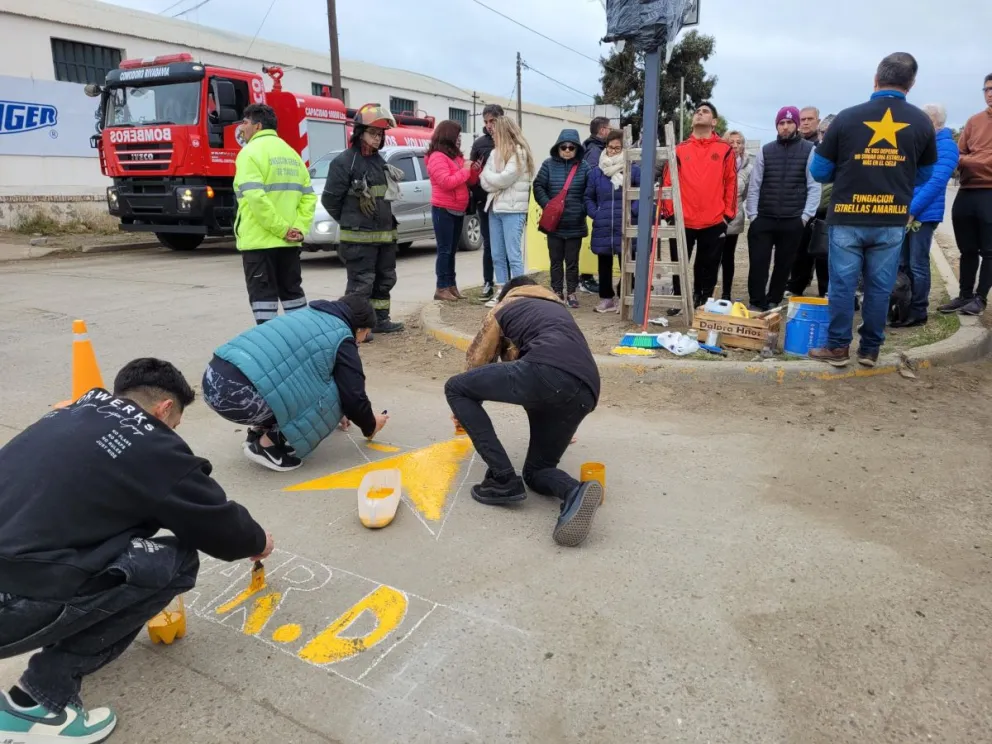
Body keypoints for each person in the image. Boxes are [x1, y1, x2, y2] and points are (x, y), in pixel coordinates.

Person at [0, 359, 270, 742]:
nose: (174, 432)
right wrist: (258, 541)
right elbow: (221, 527)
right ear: (164, 409)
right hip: (10, 600)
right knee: (171, 563)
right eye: (175, 423)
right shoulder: (150, 444)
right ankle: (43, 701)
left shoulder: (67, 414)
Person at [444, 276, 602, 547]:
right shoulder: (557, 310)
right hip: (586, 392)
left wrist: (466, 408)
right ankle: (574, 491)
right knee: (537, 471)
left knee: (456, 388)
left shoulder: (505, 307)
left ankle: (503, 478)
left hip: (545, 373)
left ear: (508, 293)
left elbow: (477, 362)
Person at [809, 52, 937, 368]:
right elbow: (924, 174)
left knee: (842, 284)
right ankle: (869, 350)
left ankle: (837, 348)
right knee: (879, 288)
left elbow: (820, 171)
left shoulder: (847, 118)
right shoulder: (921, 122)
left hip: (847, 216)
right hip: (891, 219)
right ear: (911, 83)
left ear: (875, 79)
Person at [202, 294, 388, 472]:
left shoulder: (309, 315)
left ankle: (259, 432)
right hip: (243, 398)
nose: (363, 340)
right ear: (360, 329)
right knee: (339, 388)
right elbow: (353, 395)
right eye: (366, 334)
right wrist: (370, 424)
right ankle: (268, 445)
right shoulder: (343, 338)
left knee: (288, 375)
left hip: (213, 382)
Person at [322, 105, 405, 334]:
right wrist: (352, 220)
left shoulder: (379, 162)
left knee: (385, 280)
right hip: (359, 241)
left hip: (385, 239)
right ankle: (357, 326)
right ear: (359, 133)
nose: (377, 139)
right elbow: (330, 201)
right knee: (361, 285)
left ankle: (380, 321)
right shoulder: (344, 163)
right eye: (372, 133)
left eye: (380, 134)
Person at [233, 103, 316, 325]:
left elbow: (256, 198)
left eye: (245, 122)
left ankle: (269, 348)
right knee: (293, 295)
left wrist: (281, 229)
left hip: (260, 242)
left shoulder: (249, 153)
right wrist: (297, 229)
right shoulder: (292, 155)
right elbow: (308, 197)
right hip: (289, 244)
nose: (242, 128)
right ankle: (302, 339)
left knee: (263, 301)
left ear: (258, 126)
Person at [661, 101, 737, 309]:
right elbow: (667, 181)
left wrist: (727, 215)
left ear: (714, 121)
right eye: (696, 111)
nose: (699, 114)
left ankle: (703, 301)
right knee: (680, 264)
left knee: (708, 265)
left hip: (713, 220)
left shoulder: (724, 149)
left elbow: (731, 182)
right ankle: (679, 300)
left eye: (705, 112)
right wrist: (670, 214)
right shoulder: (679, 149)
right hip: (683, 219)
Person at [746, 106, 821, 311]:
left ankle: (774, 299)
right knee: (758, 263)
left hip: (793, 218)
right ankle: (756, 300)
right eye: (781, 123)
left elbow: (813, 185)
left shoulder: (809, 150)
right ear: (777, 126)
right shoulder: (766, 150)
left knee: (784, 264)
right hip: (764, 217)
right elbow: (755, 185)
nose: (785, 127)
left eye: (789, 122)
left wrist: (805, 217)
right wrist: (753, 215)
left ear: (795, 125)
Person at [895, 104, 958, 326]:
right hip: (905, 211)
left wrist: (911, 210)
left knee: (917, 264)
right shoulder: (920, 144)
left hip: (923, 214)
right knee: (901, 263)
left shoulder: (947, 146)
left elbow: (935, 182)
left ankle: (918, 311)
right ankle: (902, 306)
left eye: (925, 119)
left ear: (937, 121)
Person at [940, 75, 992, 317]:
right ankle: (965, 295)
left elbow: (974, 160)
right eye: (987, 89)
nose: (990, 93)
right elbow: (956, 155)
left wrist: (970, 161)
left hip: (989, 193)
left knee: (989, 251)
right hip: (967, 191)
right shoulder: (973, 121)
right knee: (967, 249)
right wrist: (974, 161)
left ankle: (981, 298)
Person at [480, 116, 534, 308]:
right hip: (494, 208)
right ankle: (501, 291)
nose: (491, 132)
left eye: (494, 129)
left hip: (513, 210)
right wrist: (491, 178)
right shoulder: (495, 153)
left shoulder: (519, 153)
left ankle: (519, 293)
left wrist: (489, 176)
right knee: (497, 254)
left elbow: (504, 179)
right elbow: (484, 182)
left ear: (504, 131)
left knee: (513, 254)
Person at [534, 129, 591, 308]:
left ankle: (572, 292)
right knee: (556, 261)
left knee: (572, 263)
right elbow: (538, 186)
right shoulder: (548, 165)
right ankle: (557, 291)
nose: (567, 150)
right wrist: (548, 205)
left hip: (575, 223)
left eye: (571, 147)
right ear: (558, 147)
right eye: (563, 147)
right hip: (554, 224)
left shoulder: (585, 167)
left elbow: (589, 192)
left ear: (577, 149)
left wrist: (582, 210)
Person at [584, 128, 640, 313]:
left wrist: (632, 212)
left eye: (618, 148)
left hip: (625, 223)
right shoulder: (596, 173)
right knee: (604, 262)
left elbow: (641, 194)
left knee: (626, 261)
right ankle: (606, 298)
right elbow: (588, 197)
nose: (613, 151)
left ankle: (624, 296)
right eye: (610, 147)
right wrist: (596, 213)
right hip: (604, 223)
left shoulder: (634, 171)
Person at [427, 119, 477, 302]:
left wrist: (472, 170)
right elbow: (446, 182)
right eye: (456, 136)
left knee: (452, 250)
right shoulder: (437, 157)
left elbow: (465, 180)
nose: (459, 140)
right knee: (445, 250)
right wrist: (464, 171)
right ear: (447, 135)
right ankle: (441, 287)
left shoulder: (455, 157)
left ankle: (451, 284)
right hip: (443, 209)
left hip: (457, 209)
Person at [788, 114, 836, 298]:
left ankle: (825, 290)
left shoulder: (843, 153)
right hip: (809, 209)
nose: (825, 136)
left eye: (829, 132)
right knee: (801, 251)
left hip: (830, 211)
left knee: (825, 254)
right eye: (823, 132)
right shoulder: (812, 151)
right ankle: (795, 286)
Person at [470, 104, 505, 300]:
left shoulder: (511, 141)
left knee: (507, 245)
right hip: (485, 201)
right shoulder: (480, 143)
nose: (489, 125)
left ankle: (508, 283)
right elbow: (473, 174)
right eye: (486, 122)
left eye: (492, 121)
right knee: (490, 244)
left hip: (506, 201)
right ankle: (488, 282)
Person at [578, 116, 613, 295]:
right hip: (598, 204)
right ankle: (586, 278)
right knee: (595, 244)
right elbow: (592, 175)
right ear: (602, 130)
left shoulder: (592, 147)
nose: (611, 130)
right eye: (609, 128)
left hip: (597, 204)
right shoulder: (594, 150)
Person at [720, 130, 754, 301]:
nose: (735, 145)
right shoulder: (717, 162)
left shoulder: (748, 168)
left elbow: (747, 192)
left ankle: (726, 292)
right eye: (731, 142)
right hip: (715, 216)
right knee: (710, 256)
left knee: (728, 257)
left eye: (739, 142)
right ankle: (704, 290)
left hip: (734, 217)